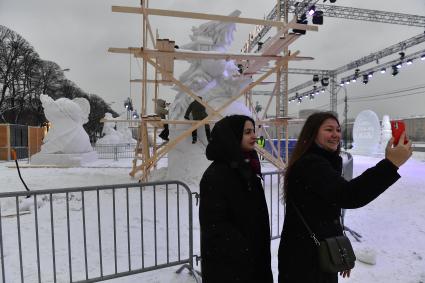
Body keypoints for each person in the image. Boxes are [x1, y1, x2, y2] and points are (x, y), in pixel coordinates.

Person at [278, 111, 412, 283]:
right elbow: (348, 195)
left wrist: (339, 249)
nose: (336, 135)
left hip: (319, 253)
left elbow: (326, 214)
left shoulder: (322, 161)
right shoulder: (311, 164)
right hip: (305, 260)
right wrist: (390, 165)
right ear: (313, 133)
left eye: (338, 130)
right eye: (329, 129)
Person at [199, 115, 273, 283]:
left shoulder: (247, 168)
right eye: (247, 132)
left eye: (253, 131)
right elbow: (215, 226)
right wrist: (246, 249)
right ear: (231, 136)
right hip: (231, 268)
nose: (254, 136)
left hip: (252, 261)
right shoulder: (216, 175)